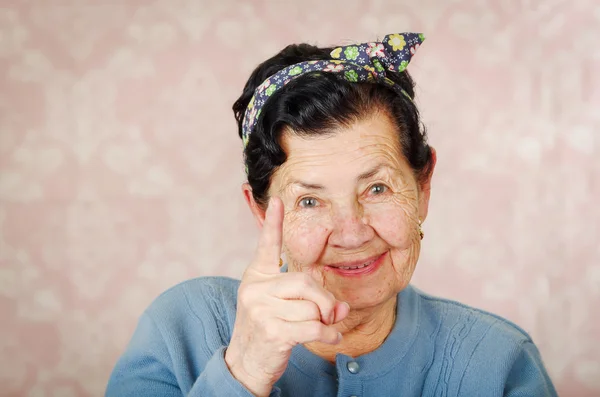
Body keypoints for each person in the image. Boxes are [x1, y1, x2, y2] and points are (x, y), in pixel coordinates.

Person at [106, 32, 558, 396]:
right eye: (309, 200)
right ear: (261, 211)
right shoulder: (181, 326)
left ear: (423, 188)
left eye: (377, 188)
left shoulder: (499, 361)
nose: (352, 232)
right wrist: (242, 372)